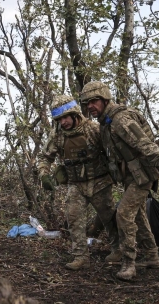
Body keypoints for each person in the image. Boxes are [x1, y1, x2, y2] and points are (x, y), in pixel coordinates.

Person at [79, 81, 159, 281]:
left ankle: (129, 263)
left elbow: (146, 145)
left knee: (123, 214)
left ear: (104, 99)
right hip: (131, 175)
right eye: (87, 103)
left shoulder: (120, 120)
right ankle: (153, 257)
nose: (90, 106)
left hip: (142, 175)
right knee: (138, 216)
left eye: (94, 101)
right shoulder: (105, 123)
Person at [37, 94, 119, 270]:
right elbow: (45, 157)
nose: (63, 122)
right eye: (59, 119)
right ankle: (80, 256)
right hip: (76, 183)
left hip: (100, 181)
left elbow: (112, 150)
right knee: (73, 218)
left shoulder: (93, 129)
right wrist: (44, 174)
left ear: (74, 114)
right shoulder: (58, 135)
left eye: (66, 117)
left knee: (109, 218)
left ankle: (118, 249)